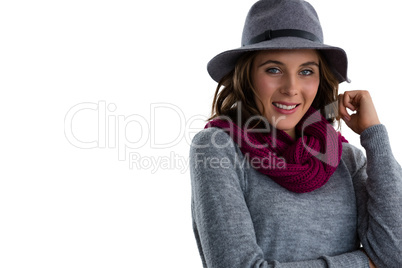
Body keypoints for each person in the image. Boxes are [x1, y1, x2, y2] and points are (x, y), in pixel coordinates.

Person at [189, 0, 402, 267]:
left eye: (306, 71)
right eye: (274, 70)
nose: (291, 88)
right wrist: (364, 263)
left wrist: (374, 137)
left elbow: (395, 254)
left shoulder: (344, 157)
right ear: (247, 75)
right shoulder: (217, 146)